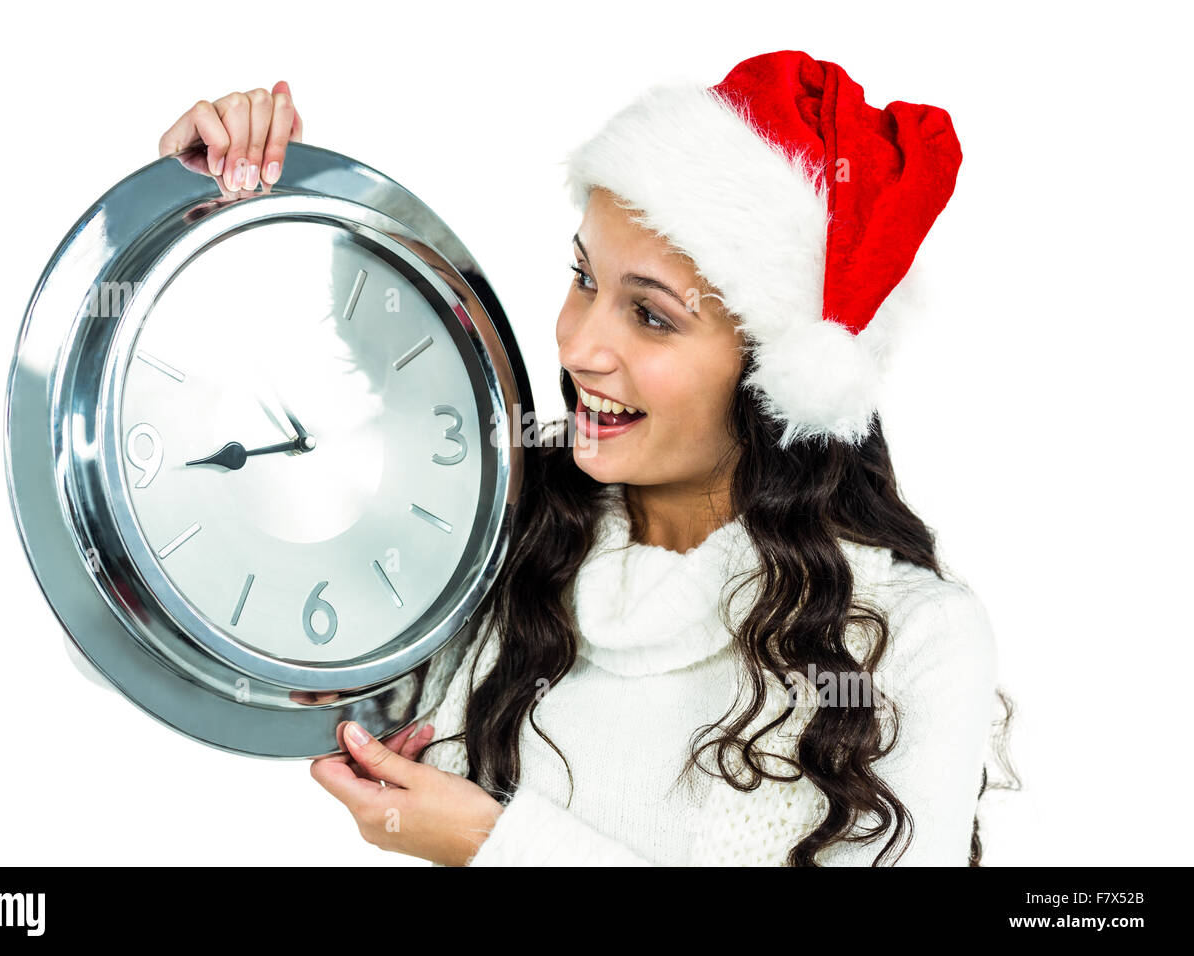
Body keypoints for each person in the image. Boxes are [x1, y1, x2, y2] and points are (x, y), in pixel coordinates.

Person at [144, 51, 1017, 867]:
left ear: (773, 374)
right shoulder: (504, 539)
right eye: (585, 277)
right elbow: (214, 636)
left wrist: (500, 845)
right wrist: (234, 197)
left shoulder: (909, 642)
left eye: (652, 316)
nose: (578, 345)